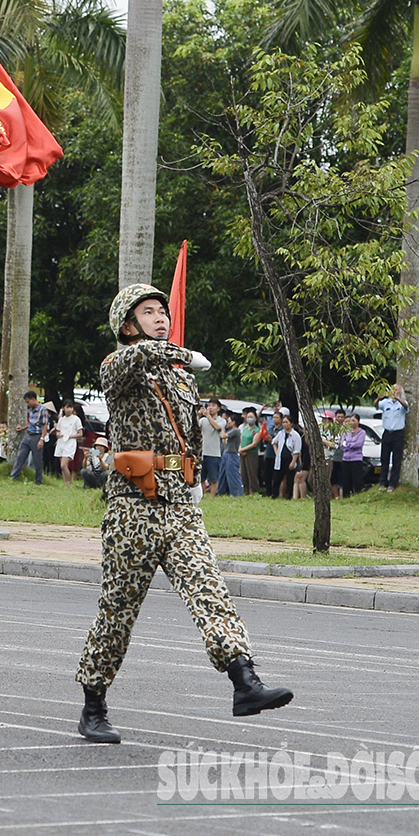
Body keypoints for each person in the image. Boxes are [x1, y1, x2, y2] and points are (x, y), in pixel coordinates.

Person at [75, 284, 291, 745]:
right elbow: (133, 361)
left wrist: (193, 483)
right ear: (127, 324)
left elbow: (188, 435)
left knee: (210, 591)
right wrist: (173, 350)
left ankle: (244, 681)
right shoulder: (119, 366)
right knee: (116, 612)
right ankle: (93, 704)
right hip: (133, 508)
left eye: (162, 311)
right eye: (148, 312)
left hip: (179, 505)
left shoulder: (180, 377)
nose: (160, 317)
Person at [10, 390, 50, 483]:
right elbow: (31, 423)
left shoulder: (42, 410)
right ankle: (14, 476)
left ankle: (38, 480)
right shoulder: (31, 410)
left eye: (28, 402)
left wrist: (41, 439)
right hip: (28, 435)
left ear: (33, 399)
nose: (27, 404)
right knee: (20, 456)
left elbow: (45, 426)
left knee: (37, 460)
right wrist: (23, 428)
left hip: (37, 436)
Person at [376, 382, 410, 488]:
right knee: (384, 458)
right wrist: (378, 398)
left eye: (396, 390)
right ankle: (383, 482)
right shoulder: (386, 402)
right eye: (392, 390)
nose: (394, 392)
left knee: (396, 460)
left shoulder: (402, 403)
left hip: (398, 434)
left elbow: (406, 407)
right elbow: (376, 406)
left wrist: (398, 398)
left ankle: (393, 483)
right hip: (387, 433)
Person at [334, 414, 367, 498]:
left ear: (358, 422)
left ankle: (358, 496)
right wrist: (349, 445)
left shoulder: (362, 432)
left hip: (356, 459)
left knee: (357, 479)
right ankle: (346, 497)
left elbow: (358, 444)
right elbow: (342, 444)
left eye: (354, 420)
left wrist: (348, 445)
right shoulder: (347, 431)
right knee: (346, 480)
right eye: (350, 421)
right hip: (346, 459)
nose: (351, 423)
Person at [271, 414, 302, 500]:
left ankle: (289, 496)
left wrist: (293, 462)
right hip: (280, 458)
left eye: (286, 422)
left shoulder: (295, 435)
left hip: (290, 458)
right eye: (283, 422)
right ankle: (274, 495)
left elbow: (297, 450)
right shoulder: (281, 433)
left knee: (289, 478)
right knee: (277, 478)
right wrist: (276, 452)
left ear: (291, 423)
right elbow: (274, 442)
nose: (284, 424)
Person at [199, 400, 225, 498]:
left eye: (213, 406)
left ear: (218, 408)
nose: (210, 407)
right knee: (201, 477)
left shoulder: (221, 420)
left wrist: (208, 416)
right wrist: (198, 415)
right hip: (202, 452)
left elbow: (217, 427)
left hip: (214, 453)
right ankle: (201, 495)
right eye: (209, 405)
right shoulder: (203, 420)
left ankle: (212, 497)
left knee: (214, 478)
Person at [54, 401, 83, 483]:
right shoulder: (61, 420)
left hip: (70, 444)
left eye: (71, 407)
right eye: (67, 407)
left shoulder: (76, 419)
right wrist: (58, 434)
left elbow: (80, 433)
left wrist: (70, 436)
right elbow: (58, 431)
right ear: (63, 408)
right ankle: (65, 484)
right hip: (61, 443)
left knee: (63, 465)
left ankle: (69, 483)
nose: (69, 410)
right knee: (63, 466)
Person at [238, 407, 263, 497]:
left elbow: (254, 444)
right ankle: (246, 492)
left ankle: (254, 492)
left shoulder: (257, 430)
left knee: (252, 473)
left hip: (252, 454)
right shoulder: (245, 429)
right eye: (248, 417)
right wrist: (240, 449)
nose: (249, 418)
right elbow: (241, 440)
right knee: (243, 474)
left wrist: (243, 449)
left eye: (251, 417)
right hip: (243, 454)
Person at [219, 411, 243, 497]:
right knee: (223, 474)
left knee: (233, 474)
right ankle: (222, 491)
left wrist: (222, 427)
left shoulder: (236, 430)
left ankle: (237, 493)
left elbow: (223, 436)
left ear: (234, 422)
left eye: (229, 421)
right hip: (227, 453)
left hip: (232, 455)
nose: (228, 422)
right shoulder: (232, 431)